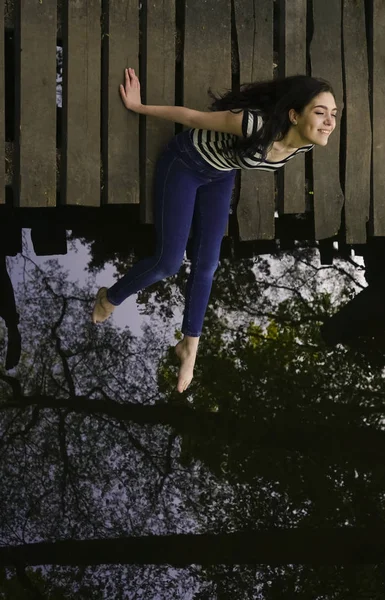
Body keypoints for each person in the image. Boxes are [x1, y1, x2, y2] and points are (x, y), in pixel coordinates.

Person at [92, 68, 337, 393]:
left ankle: (189, 347)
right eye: (320, 113)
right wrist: (139, 107)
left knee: (208, 264)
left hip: (221, 175)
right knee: (168, 263)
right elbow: (191, 117)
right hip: (186, 165)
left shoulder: (305, 144)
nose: (329, 122)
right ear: (294, 115)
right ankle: (109, 297)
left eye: (333, 114)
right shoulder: (254, 124)